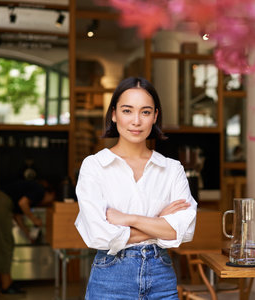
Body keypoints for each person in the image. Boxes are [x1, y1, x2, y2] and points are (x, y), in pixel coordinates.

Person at [75, 77, 197, 299]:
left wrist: (128, 219)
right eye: (127, 110)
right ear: (114, 114)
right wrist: (159, 222)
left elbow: (184, 230)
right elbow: (98, 235)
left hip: (161, 277)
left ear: (155, 116)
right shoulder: (94, 166)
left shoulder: (171, 169)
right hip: (110, 278)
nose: (136, 121)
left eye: (146, 112)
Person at [0, 179, 55, 294]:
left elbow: (17, 215)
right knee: (5, 244)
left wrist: (27, 234)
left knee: (7, 243)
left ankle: (8, 281)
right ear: (50, 193)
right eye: (51, 199)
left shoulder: (28, 191)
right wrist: (34, 219)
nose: (49, 202)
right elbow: (23, 203)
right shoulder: (39, 190)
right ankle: (6, 285)